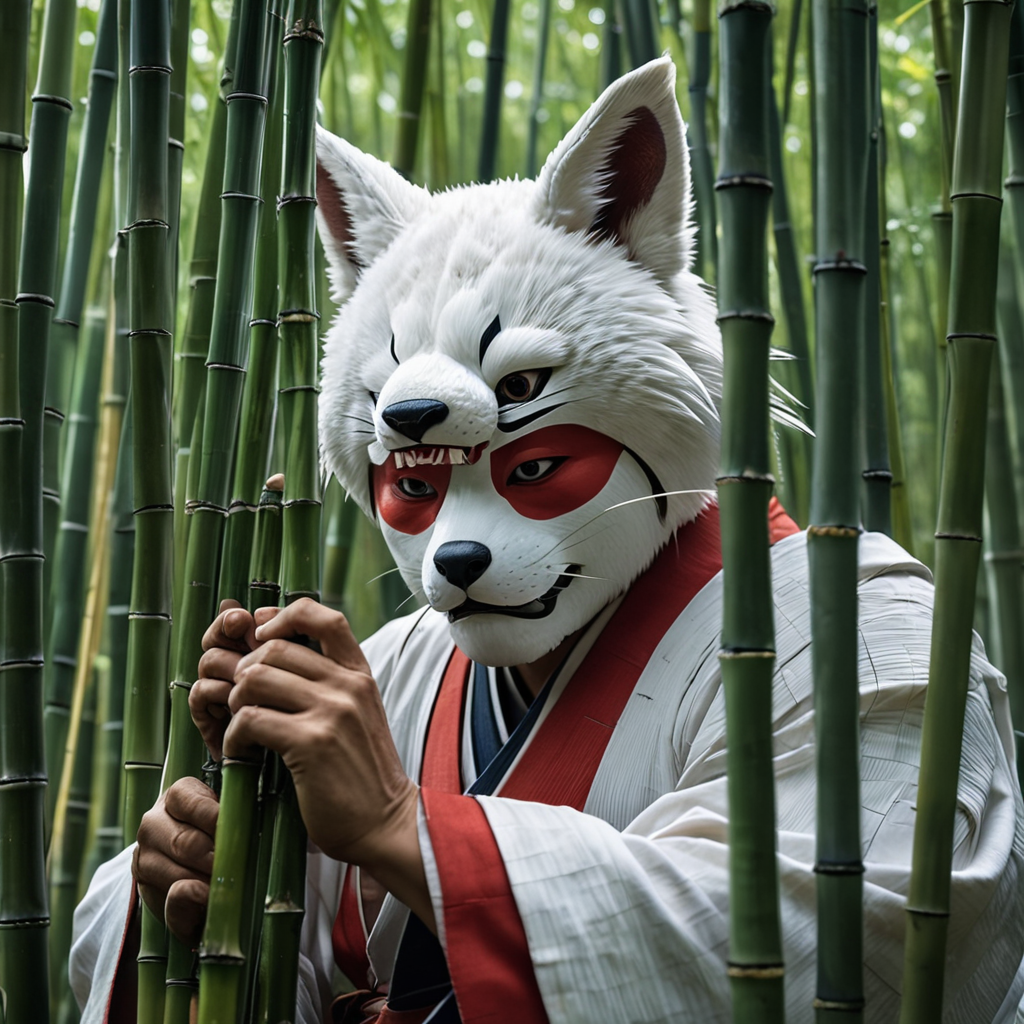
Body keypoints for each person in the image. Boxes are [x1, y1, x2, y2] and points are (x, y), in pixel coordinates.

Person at [71, 57, 1024, 1023]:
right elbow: (285, 954)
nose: (457, 550)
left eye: (531, 470)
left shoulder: (861, 630)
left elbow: (850, 936)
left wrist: (406, 829)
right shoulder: (393, 667)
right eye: (416, 484)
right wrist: (209, 872)